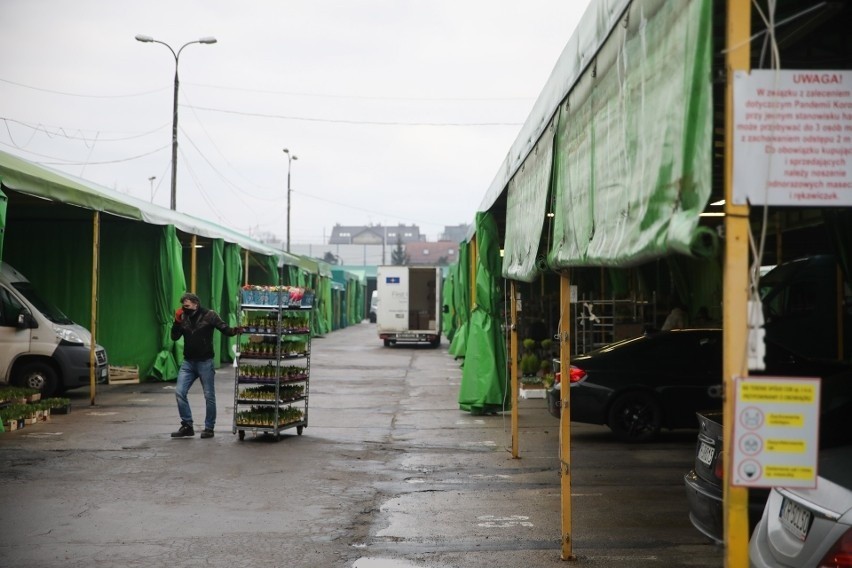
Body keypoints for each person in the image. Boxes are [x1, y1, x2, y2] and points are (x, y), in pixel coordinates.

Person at [170, 292, 237, 439]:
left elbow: (224, 329)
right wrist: (176, 321)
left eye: (187, 306)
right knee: (179, 392)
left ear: (195, 304)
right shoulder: (184, 318)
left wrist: (235, 331)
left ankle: (209, 428)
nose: (184, 308)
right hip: (188, 362)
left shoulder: (209, 315)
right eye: (183, 306)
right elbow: (174, 337)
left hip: (205, 362)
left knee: (209, 395)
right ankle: (187, 425)